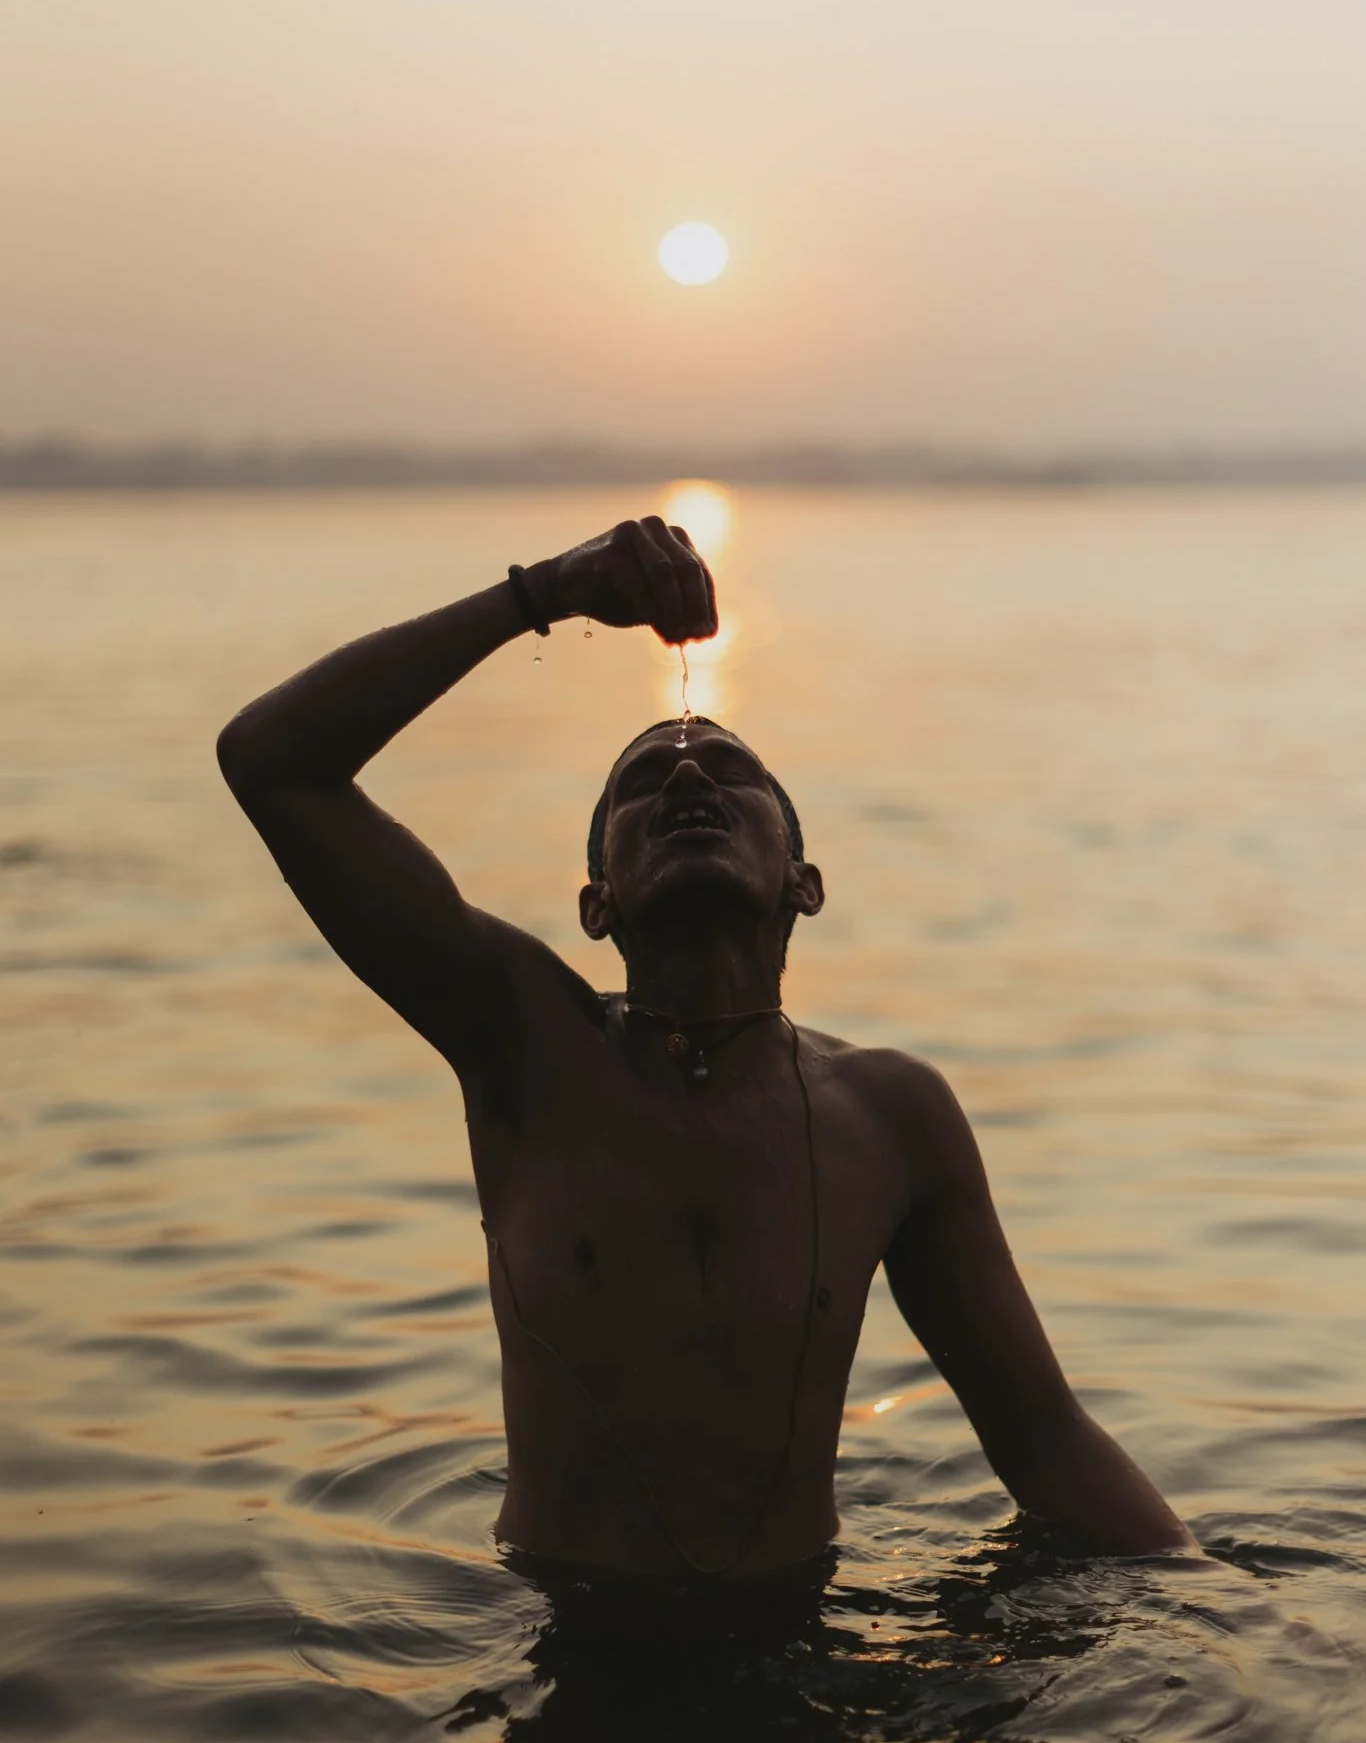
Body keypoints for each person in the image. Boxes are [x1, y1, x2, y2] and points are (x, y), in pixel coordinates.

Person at [217, 515, 1193, 1581]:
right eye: (642, 785)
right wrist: (541, 592)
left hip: (802, 1647)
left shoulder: (891, 1115)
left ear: (803, 882)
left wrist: (1217, 1602)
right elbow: (272, 761)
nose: (688, 782)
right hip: (573, 1642)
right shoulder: (524, 1042)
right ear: (597, 904)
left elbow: (1041, 1437)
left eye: (729, 770)